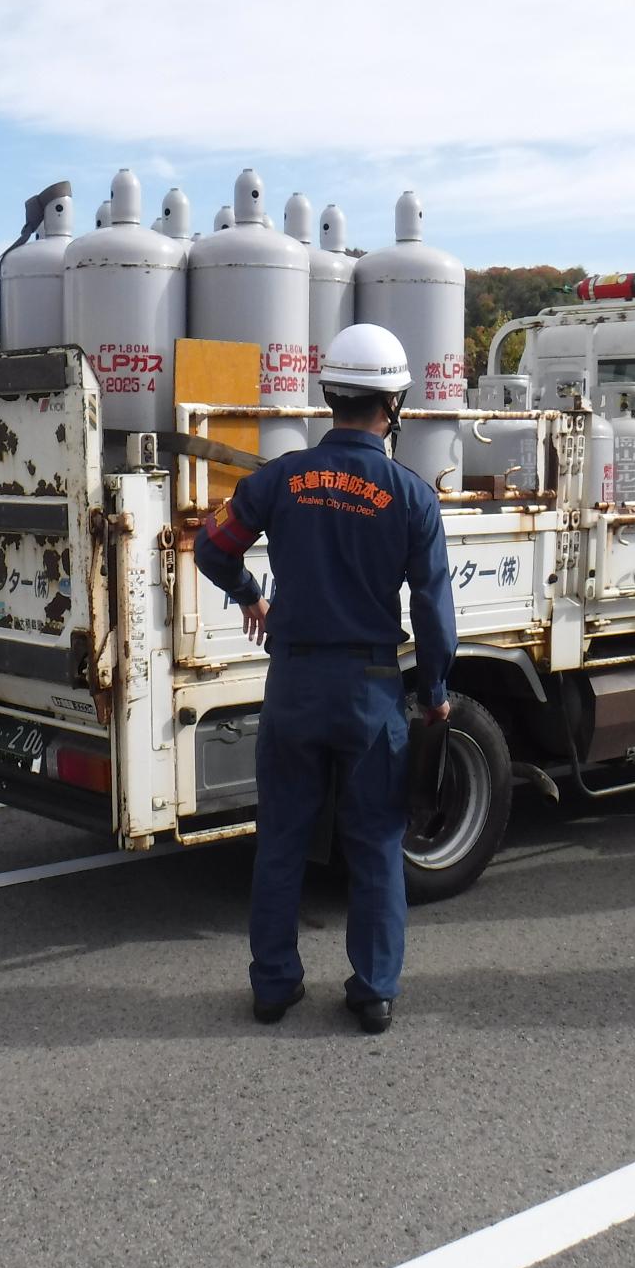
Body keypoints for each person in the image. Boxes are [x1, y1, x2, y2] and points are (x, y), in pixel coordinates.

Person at [192, 323, 458, 1033]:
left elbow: (209, 546)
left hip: (294, 687)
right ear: (393, 405)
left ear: (328, 395)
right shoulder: (411, 496)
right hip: (371, 691)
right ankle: (373, 990)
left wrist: (249, 593)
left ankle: (274, 987)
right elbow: (433, 610)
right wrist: (433, 695)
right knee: (374, 842)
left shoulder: (278, 478)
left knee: (281, 836)